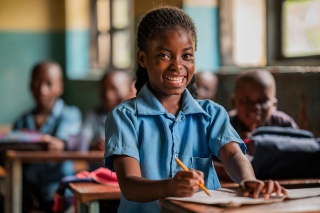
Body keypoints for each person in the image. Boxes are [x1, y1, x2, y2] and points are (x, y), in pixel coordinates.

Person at [104, 6, 287, 213]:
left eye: (186, 56)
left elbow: (233, 155)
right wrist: (170, 186)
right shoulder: (125, 117)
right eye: (164, 55)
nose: (177, 65)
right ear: (143, 58)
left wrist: (248, 179)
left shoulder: (211, 114)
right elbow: (129, 185)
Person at [13, 61, 82, 212]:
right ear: (30, 85)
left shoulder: (69, 115)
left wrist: (60, 144)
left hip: (61, 192)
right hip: (29, 193)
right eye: (37, 83)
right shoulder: (22, 120)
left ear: (60, 87)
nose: (42, 90)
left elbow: (62, 142)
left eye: (49, 84)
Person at [80, 69, 136, 170]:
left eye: (115, 89)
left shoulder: (137, 116)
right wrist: (95, 145)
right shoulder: (94, 114)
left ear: (131, 88)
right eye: (104, 89)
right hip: (98, 174)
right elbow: (82, 141)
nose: (108, 95)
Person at [229, 69, 299, 140]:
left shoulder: (283, 123)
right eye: (245, 100)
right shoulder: (226, 124)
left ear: (274, 105)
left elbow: (301, 145)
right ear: (233, 102)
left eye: (263, 101)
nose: (255, 107)